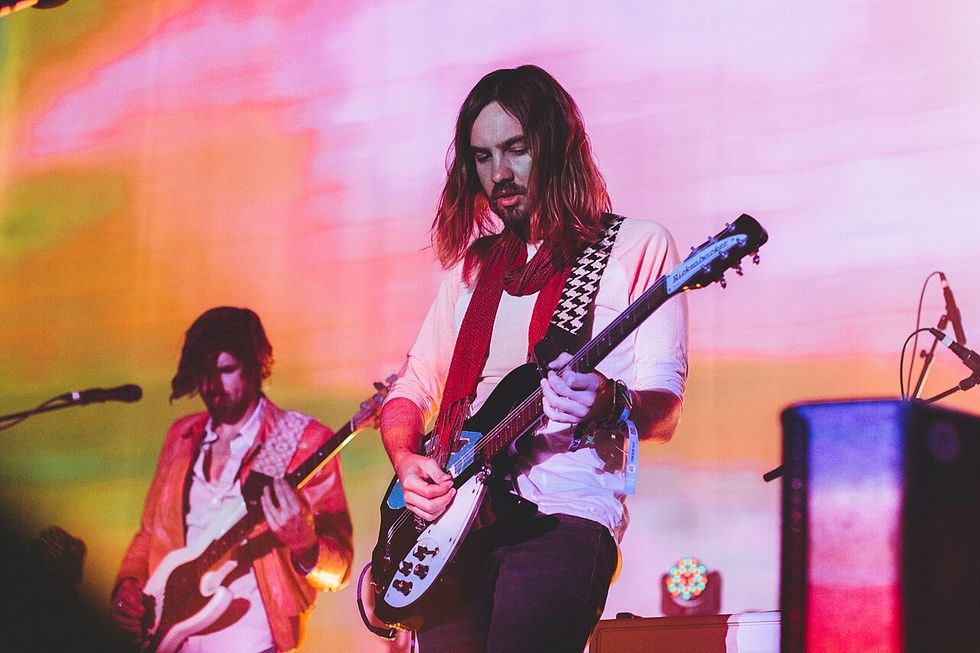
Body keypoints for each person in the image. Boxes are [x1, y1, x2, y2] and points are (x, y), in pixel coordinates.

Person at [379, 65, 688, 652]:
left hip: (563, 515)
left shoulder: (635, 247)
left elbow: (665, 411)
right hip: (457, 528)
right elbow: (410, 388)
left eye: (516, 149)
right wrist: (404, 459)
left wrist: (610, 400)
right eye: (483, 156)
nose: (499, 174)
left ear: (556, 145)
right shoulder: (472, 269)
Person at [111, 307, 354, 653]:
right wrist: (128, 585)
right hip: (168, 640)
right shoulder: (180, 436)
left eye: (226, 370)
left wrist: (306, 545)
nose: (211, 387)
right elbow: (149, 534)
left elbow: (340, 567)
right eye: (204, 373)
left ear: (258, 366)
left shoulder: (299, 440)